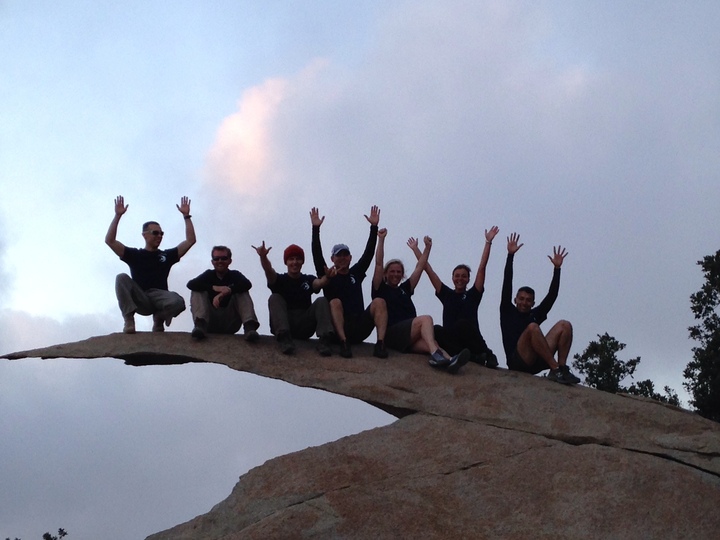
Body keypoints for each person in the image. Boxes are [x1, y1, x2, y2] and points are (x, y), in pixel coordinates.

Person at [372, 230, 470, 373]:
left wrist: (427, 248)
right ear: (386, 274)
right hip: (393, 334)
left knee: (432, 343)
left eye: (399, 272)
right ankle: (437, 356)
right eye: (392, 271)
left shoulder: (405, 289)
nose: (396, 274)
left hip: (407, 338)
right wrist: (380, 240)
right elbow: (379, 264)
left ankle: (450, 361)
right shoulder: (380, 288)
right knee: (426, 319)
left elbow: (420, 267)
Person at [410, 226, 500, 368]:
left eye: (464, 276)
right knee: (437, 330)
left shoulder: (473, 294)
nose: (460, 279)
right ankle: (474, 358)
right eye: (457, 276)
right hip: (454, 344)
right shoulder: (447, 294)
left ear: (468, 279)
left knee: (462, 324)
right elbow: (428, 270)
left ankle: (488, 354)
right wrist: (416, 249)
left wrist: (488, 242)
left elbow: (482, 267)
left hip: (471, 338)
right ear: (452, 278)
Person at [105, 195, 196, 333]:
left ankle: (159, 319)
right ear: (145, 235)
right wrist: (117, 216)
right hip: (141, 297)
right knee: (121, 278)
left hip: (160, 298)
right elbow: (110, 241)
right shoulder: (135, 255)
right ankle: (129, 320)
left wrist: (186, 216)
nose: (159, 236)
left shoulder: (166, 256)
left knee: (178, 303)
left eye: (161, 233)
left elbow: (190, 241)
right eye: (155, 233)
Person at [499, 232, 580, 384]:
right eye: (521, 299)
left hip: (537, 360)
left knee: (565, 325)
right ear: (515, 299)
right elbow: (507, 282)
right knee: (532, 328)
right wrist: (510, 256)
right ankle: (555, 369)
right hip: (518, 361)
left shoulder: (536, 313)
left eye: (528, 300)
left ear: (533, 303)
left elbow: (552, 296)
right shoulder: (507, 311)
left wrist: (557, 269)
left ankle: (561, 368)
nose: (524, 302)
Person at [310, 206, 388, 359]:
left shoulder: (356, 273)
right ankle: (344, 344)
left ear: (350, 258)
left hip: (359, 327)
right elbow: (316, 254)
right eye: (338, 256)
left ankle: (380, 344)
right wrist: (315, 229)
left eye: (346, 255)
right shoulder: (328, 274)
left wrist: (374, 228)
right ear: (332, 259)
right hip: (339, 328)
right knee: (335, 302)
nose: (342, 258)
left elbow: (368, 255)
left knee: (379, 301)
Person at [253, 241, 335, 356]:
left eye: (298, 259)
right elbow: (269, 271)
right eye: (291, 259)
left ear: (302, 262)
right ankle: (284, 339)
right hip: (286, 324)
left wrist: (328, 277)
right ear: (286, 262)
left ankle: (325, 339)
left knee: (322, 300)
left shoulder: (308, 279)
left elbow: (319, 283)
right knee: (274, 297)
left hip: (305, 325)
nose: (295, 262)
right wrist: (263, 257)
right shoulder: (280, 280)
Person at [186, 246, 260, 341]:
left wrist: (227, 291)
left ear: (230, 261)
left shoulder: (235, 275)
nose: (220, 261)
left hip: (230, 322)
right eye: (216, 258)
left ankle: (250, 327)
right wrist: (214, 288)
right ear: (212, 262)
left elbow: (247, 284)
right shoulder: (208, 275)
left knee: (242, 292)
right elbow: (191, 284)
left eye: (224, 258)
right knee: (197, 290)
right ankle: (200, 325)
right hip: (210, 322)